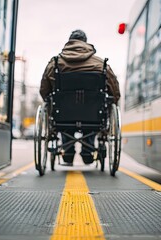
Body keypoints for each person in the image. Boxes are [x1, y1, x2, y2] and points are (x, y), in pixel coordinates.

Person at [39, 29, 120, 165]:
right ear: (85, 43)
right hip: (93, 116)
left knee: (64, 117)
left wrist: (49, 100)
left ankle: (68, 152)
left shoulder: (55, 63)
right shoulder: (100, 64)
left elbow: (44, 90)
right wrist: (114, 102)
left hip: (63, 115)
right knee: (93, 116)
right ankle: (87, 153)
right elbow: (114, 88)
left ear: (69, 42)